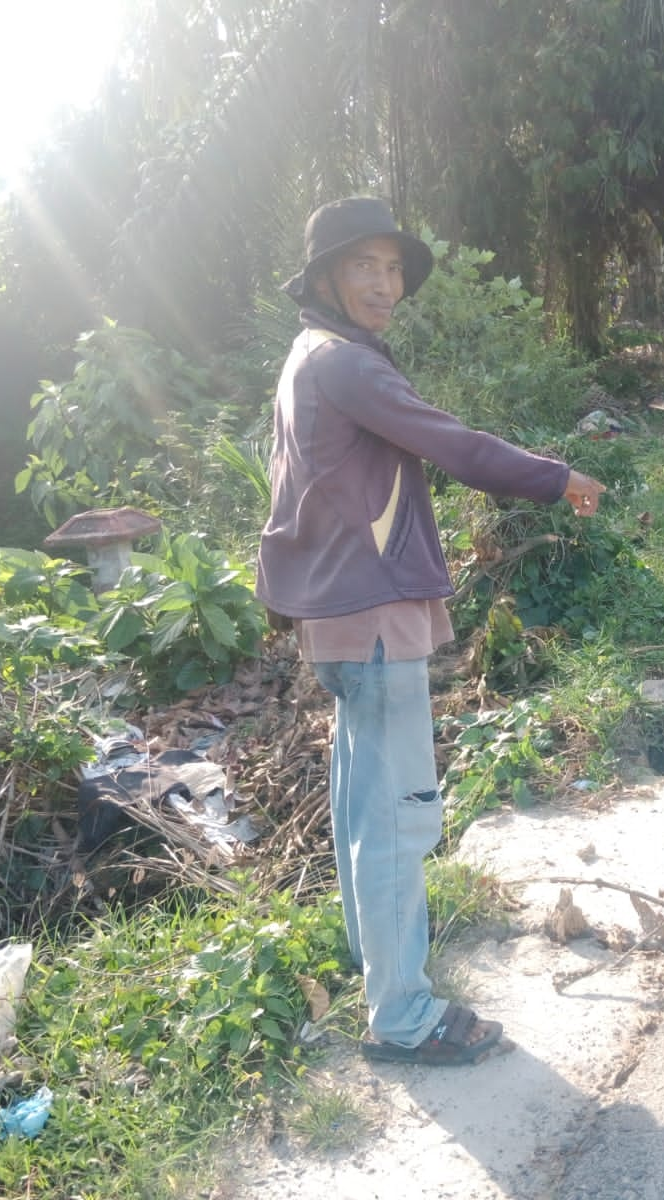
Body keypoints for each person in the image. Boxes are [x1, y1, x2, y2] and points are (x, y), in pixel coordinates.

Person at [256, 197, 606, 1066]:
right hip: (372, 620)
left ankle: (382, 976)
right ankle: (404, 1015)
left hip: (340, 619)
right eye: (365, 267)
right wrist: (557, 477)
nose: (386, 284)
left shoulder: (309, 357)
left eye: (393, 267)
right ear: (329, 278)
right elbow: (454, 445)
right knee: (398, 817)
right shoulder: (346, 365)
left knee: (359, 813)